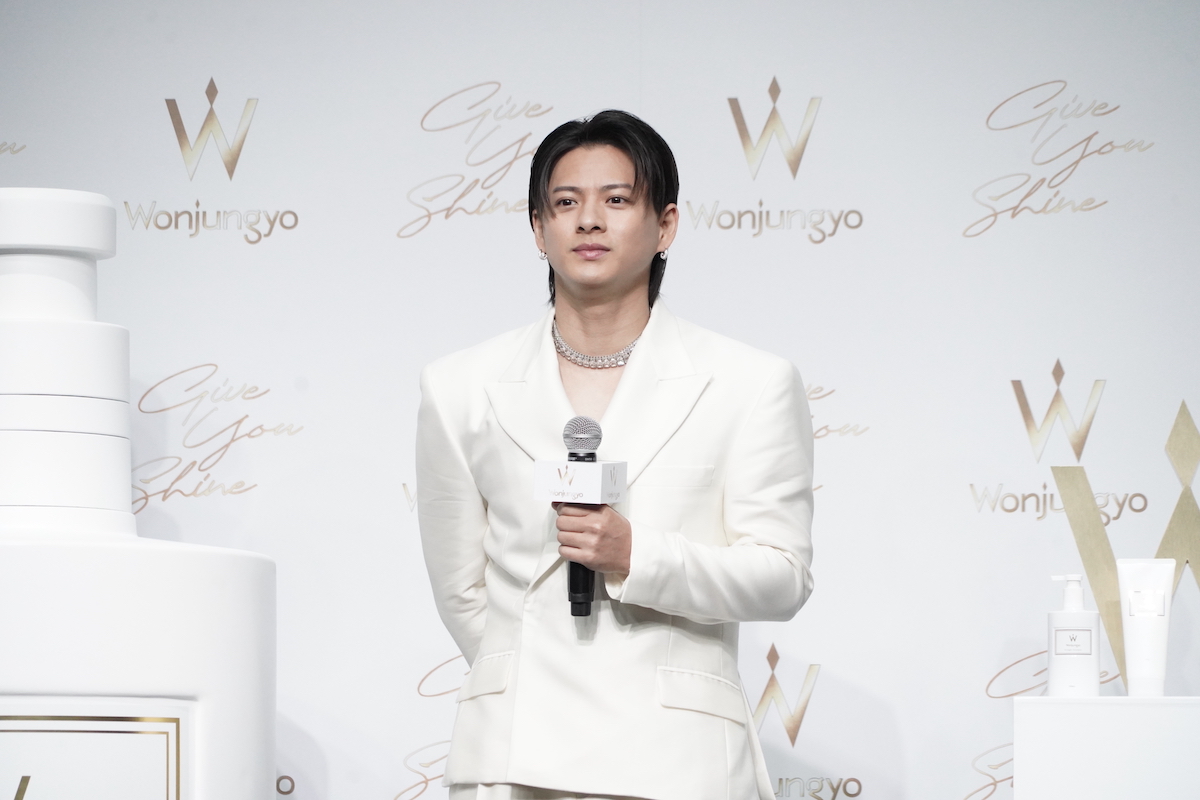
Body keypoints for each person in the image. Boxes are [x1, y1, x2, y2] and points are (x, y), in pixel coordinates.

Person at [416, 110, 814, 800]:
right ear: (538, 229)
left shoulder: (749, 383)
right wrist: (527, 675)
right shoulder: (458, 386)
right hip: (513, 755)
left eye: (617, 200)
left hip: (676, 759)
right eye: (566, 203)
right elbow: (461, 588)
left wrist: (637, 555)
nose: (589, 221)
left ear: (666, 226)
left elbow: (781, 575)